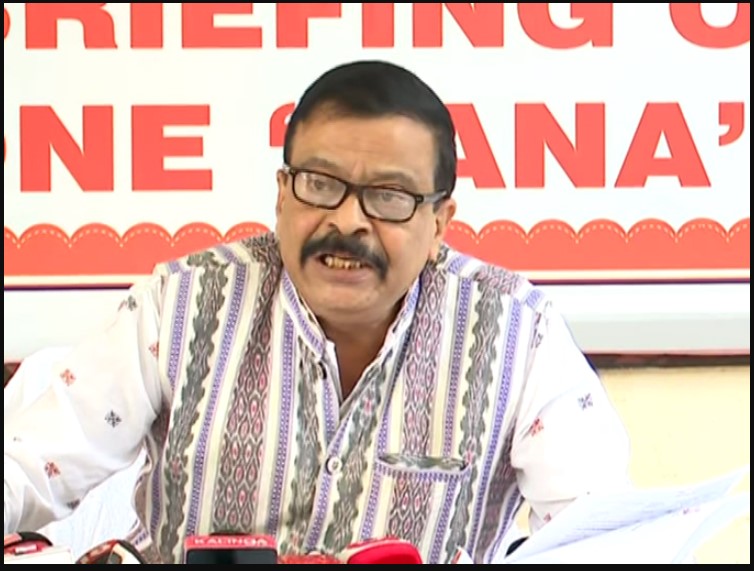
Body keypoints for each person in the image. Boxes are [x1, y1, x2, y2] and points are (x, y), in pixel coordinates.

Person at [3, 60, 631, 564]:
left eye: (389, 196)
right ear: (282, 194)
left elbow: (600, 536)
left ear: (440, 223)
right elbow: (27, 467)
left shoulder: (518, 334)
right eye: (321, 184)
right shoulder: (182, 305)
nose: (348, 220)